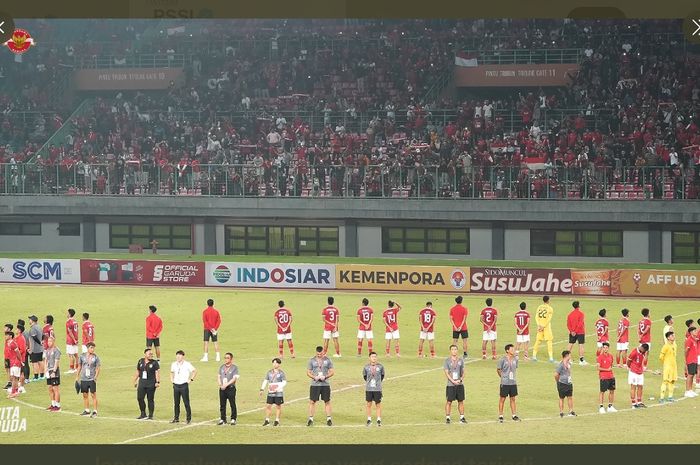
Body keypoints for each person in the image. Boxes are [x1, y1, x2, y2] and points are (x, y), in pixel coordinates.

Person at [307, 345, 334, 426]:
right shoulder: (311, 360)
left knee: (327, 401)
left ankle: (329, 419)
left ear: (323, 352)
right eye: (318, 354)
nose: (319, 355)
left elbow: (332, 372)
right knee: (312, 402)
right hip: (314, 385)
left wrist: (325, 376)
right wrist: (314, 377)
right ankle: (310, 419)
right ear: (316, 352)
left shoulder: (328, 360)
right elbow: (308, 372)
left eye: (321, 354)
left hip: (325, 384)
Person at [133, 348, 161, 420]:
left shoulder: (154, 363)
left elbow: (157, 373)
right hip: (142, 383)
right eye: (149, 354)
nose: (151, 355)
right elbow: (138, 371)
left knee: (150, 399)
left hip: (151, 383)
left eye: (152, 354)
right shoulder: (140, 361)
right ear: (145, 354)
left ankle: (150, 415)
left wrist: (157, 382)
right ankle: (143, 413)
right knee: (140, 398)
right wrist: (135, 380)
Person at [170, 350, 196, 424]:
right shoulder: (174, 364)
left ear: (183, 356)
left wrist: (191, 379)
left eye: (180, 355)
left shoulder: (187, 364)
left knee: (186, 402)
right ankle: (176, 418)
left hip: (184, 384)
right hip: (176, 385)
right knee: (176, 402)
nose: (178, 356)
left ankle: (188, 418)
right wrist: (172, 380)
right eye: (177, 355)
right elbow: (172, 372)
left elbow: (194, 371)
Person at [496, 344, 520, 422]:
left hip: (513, 382)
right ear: (507, 350)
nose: (513, 351)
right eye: (512, 349)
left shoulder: (515, 359)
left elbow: (515, 368)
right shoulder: (502, 359)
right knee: (502, 399)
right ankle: (500, 415)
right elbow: (499, 369)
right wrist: (503, 377)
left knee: (513, 399)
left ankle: (514, 415)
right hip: (505, 383)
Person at [443, 344, 467, 424]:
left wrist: (460, 380)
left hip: (459, 384)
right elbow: (446, 373)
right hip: (451, 385)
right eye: (453, 349)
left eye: (455, 349)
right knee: (449, 401)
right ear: (450, 351)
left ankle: (462, 417)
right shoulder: (447, 361)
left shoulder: (461, 360)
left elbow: (463, 372)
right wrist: (453, 381)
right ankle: (448, 418)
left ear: (457, 351)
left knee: (461, 401)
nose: (454, 351)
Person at [259, 357, 286, 426]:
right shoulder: (269, 372)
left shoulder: (281, 373)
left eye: (276, 363)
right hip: (270, 392)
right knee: (268, 405)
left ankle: (277, 420)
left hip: (278, 392)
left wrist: (277, 387)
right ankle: (267, 420)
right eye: (273, 363)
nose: (274, 364)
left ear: (279, 364)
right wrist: (262, 389)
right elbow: (265, 381)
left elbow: (284, 382)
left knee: (278, 406)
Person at [75, 342, 100, 417]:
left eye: (93, 348)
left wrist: (95, 377)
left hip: (92, 379)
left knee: (93, 395)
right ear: (88, 348)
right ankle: (87, 410)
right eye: (91, 348)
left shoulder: (95, 357)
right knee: (85, 395)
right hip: (84, 378)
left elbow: (98, 368)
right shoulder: (82, 356)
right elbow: (79, 366)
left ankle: (95, 411)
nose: (93, 349)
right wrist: (77, 376)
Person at [363, 351, 385, 426]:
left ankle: (379, 420)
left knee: (378, 404)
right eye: (372, 357)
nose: (374, 358)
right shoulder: (366, 367)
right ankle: (369, 419)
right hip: (369, 389)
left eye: (375, 357)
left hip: (377, 389)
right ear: (369, 358)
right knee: (369, 404)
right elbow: (365, 377)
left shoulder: (380, 367)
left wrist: (377, 383)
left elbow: (382, 376)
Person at [217, 352, 239, 425]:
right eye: (225, 358)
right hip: (222, 388)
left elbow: (234, 378)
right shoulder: (222, 367)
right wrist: (220, 384)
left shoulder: (234, 368)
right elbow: (218, 376)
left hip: (230, 388)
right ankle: (223, 419)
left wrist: (226, 384)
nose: (226, 359)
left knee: (232, 403)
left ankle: (233, 418)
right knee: (222, 404)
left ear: (231, 359)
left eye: (228, 358)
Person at [532, 296, 554, 362]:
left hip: (540, 326)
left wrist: (539, 325)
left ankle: (534, 356)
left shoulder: (539, 307)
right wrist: (543, 326)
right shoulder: (550, 308)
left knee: (538, 341)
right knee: (549, 341)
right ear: (548, 300)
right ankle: (551, 358)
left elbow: (536, 317)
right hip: (546, 327)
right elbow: (549, 319)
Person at [596, 342, 617, 413]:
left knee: (612, 391)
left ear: (608, 348)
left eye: (606, 348)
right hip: (603, 377)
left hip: (611, 376)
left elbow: (611, 365)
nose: (605, 349)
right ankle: (601, 407)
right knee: (602, 392)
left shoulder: (611, 356)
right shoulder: (600, 357)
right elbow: (598, 368)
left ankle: (610, 406)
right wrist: (607, 370)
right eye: (604, 348)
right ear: (602, 348)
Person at [554, 350, 576, 417]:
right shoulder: (560, 365)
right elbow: (555, 374)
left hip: (569, 383)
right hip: (562, 384)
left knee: (570, 397)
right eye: (569, 355)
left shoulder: (569, 363)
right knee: (561, 398)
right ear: (567, 355)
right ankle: (561, 412)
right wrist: (558, 381)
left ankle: (571, 411)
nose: (570, 356)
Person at [627, 343, 649, 408]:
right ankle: (633, 403)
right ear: (642, 348)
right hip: (633, 372)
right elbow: (628, 361)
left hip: (640, 372)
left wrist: (643, 368)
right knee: (633, 387)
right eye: (644, 351)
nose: (644, 352)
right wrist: (630, 367)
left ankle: (639, 402)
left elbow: (643, 360)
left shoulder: (643, 352)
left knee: (640, 386)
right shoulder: (634, 352)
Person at [659, 332, 678, 403]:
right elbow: (661, 357)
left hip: (674, 366)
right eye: (672, 335)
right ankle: (661, 398)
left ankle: (670, 397)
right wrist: (665, 363)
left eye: (673, 335)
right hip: (667, 366)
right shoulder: (665, 346)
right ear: (668, 338)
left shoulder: (675, 345)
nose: (673, 336)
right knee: (665, 381)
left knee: (672, 381)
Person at [566, 301, 587, 365]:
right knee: (581, 345)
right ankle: (581, 361)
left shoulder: (570, 314)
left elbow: (568, 324)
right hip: (580, 332)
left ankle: (568, 359)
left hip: (572, 332)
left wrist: (571, 331)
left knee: (570, 344)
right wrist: (575, 331)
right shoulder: (581, 314)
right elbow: (580, 324)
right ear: (578, 306)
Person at [4, 331, 21, 399]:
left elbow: (18, 352)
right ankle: (15, 392)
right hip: (13, 362)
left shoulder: (13, 344)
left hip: (15, 362)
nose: (5, 336)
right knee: (15, 377)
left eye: (7, 335)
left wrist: (20, 361)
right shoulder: (9, 343)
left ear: (10, 336)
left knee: (14, 378)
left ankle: (13, 392)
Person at [27, 315, 45, 381]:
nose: (29, 321)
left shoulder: (33, 328)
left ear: (32, 320)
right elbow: (43, 335)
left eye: (30, 319)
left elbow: (34, 337)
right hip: (40, 348)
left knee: (35, 362)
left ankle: (36, 377)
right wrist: (42, 342)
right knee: (40, 361)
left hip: (34, 349)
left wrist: (39, 343)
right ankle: (42, 375)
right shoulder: (39, 327)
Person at [684, 327, 698, 398]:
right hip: (690, 360)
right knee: (690, 375)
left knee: (692, 375)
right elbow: (686, 350)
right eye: (695, 331)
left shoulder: (694, 339)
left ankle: (690, 390)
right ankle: (687, 391)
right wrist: (686, 359)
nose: (696, 332)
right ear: (691, 332)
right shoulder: (689, 340)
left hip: (694, 360)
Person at [65, 309, 79, 374]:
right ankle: (77, 367)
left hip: (70, 340)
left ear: (70, 314)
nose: (66, 314)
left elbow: (70, 332)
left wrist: (73, 339)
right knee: (76, 355)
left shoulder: (68, 322)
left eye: (67, 313)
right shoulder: (75, 321)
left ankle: (71, 369)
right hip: (76, 339)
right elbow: (76, 331)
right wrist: (76, 339)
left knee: (71, 355)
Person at [3, 323, 12, 390]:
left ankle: (10, 383)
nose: (4, 329)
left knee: (9, 369)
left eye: (5, 328)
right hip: (7, 356)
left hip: (9, 356)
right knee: (7, 369)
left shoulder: (9, 336)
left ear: (9, 329)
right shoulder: (7, 335)